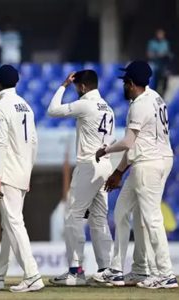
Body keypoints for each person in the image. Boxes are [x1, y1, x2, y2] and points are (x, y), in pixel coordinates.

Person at [95, 60, 178, 289]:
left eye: (125, 82)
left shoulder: (139, 105)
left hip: (148, 164)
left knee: (150, 218)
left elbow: (129, 142)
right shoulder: (156, 98)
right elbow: (136, 144)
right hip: (158, 160)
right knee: (122, 210)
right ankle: (127, 269)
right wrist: (119, 172)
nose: (123, 85)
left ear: (131, 84)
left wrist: (106, 150)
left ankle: (165, 273)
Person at [46, 70, 114, 286]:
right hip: (106, 165)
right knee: (99, 219)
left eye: (77, 87)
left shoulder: (85, 104)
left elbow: (52, 110)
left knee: (74, 215)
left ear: (82, 87)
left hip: (89, 164)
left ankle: (76, 271)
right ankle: (106, 271)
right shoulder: (108, 108)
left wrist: (63, 85)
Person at [0, 65, 44, 292]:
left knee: (14, 223)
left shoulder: (0, 107)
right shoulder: (26, 106)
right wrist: (28, 168)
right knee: (10, 225)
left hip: (7, 172)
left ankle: (32, 274)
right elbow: (34, 142)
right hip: (23, 170)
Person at [147, 29, 172, 96]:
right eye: (159, 34)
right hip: (154, 65)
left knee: (164, 81)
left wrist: (158, 54)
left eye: (162, 34)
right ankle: (152, 94)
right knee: (154, 81)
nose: (160, 36)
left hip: (163, 66)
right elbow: (150, 54)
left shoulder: (165, 43)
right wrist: (158, 54)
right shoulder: (152, 43)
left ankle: (162, 94)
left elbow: (165, 53)